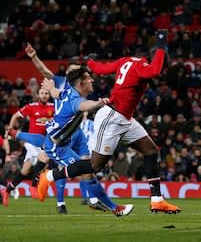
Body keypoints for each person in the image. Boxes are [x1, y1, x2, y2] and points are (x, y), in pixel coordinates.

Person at [39, 31, 182, 214]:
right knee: (94, 166)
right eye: (162, 67)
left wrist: (90, 61)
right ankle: (49, 176)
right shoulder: (143, 67)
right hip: (112, 118)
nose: (160, 72)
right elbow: (154, 70)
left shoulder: (127, 61)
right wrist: (162, 45)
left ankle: (157, 200)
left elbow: (102, 69)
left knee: (150, 150)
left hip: (125, 118)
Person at [40, 66, 133, 217]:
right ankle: (49, 177)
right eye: (89, 77)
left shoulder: (68, 92)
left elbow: (57, 94)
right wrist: (98, 103)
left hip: (63, 144)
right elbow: (83, 106)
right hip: (56, 147)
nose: (92, 80)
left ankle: (112, 207)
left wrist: (51, 88)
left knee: (89, 172)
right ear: (81, 83)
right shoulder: (76, 100)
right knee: (89, 169)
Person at [24, 42, 101, 212]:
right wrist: (34, 57)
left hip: (77, 131)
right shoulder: (59, 82)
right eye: (73, 70)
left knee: (87, 165)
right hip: (62, 131)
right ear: (67, 73)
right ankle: (60, 202)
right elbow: (44, 72)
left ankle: (93, 199)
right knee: (63, 166)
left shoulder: (81, 87)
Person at [0, 88, 53, 206]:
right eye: (42, 93)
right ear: (38, 95)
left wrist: (48, 119)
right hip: (30, 141)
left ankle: (7, 191)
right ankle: (34, 186)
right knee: (44, 159)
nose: (44, 95)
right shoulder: (31, 106)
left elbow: (58, 121)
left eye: (46, 93)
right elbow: (15, 115)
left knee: (24, 170)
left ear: (49, 95)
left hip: (43, 142)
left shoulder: (53, 107)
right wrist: (10, 129)